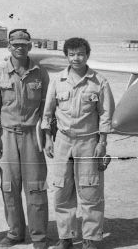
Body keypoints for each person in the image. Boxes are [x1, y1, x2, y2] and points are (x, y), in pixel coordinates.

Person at [41, 37, 115, 249]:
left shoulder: (99, 82)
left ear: (87, 55)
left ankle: (91, 239)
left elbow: (105, 115)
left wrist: (103, 142)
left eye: (80, 54)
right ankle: (66, 238)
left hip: (88, 142)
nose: (76, 58)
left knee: (90, 191)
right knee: (62, 190)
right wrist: (48, 139)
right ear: (66, 56)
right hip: (63, 142)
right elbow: (47, 113)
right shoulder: (57, 81)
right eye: (72, 54)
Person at [0, 29, 50, 249]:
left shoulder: (40, 72)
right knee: (9, 187)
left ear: (30, 46)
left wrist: (47, 135)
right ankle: (15, 233)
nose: (20, 48)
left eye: (24, 44)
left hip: (33, 136)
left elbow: (46, 107)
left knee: (36, 187)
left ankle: (39, 236)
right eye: (16, 44)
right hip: (8, 135)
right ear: (9, 46)